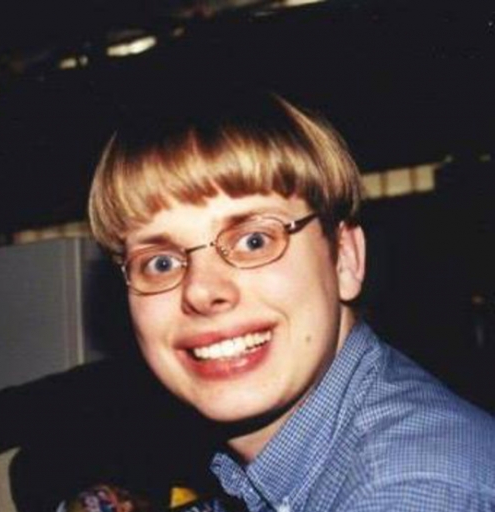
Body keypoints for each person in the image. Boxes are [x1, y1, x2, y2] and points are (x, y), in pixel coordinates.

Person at [87, 83, 495, 511]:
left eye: (254, 240)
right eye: (161, 262)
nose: (202, 291)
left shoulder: (409, 490)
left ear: (345, 259)